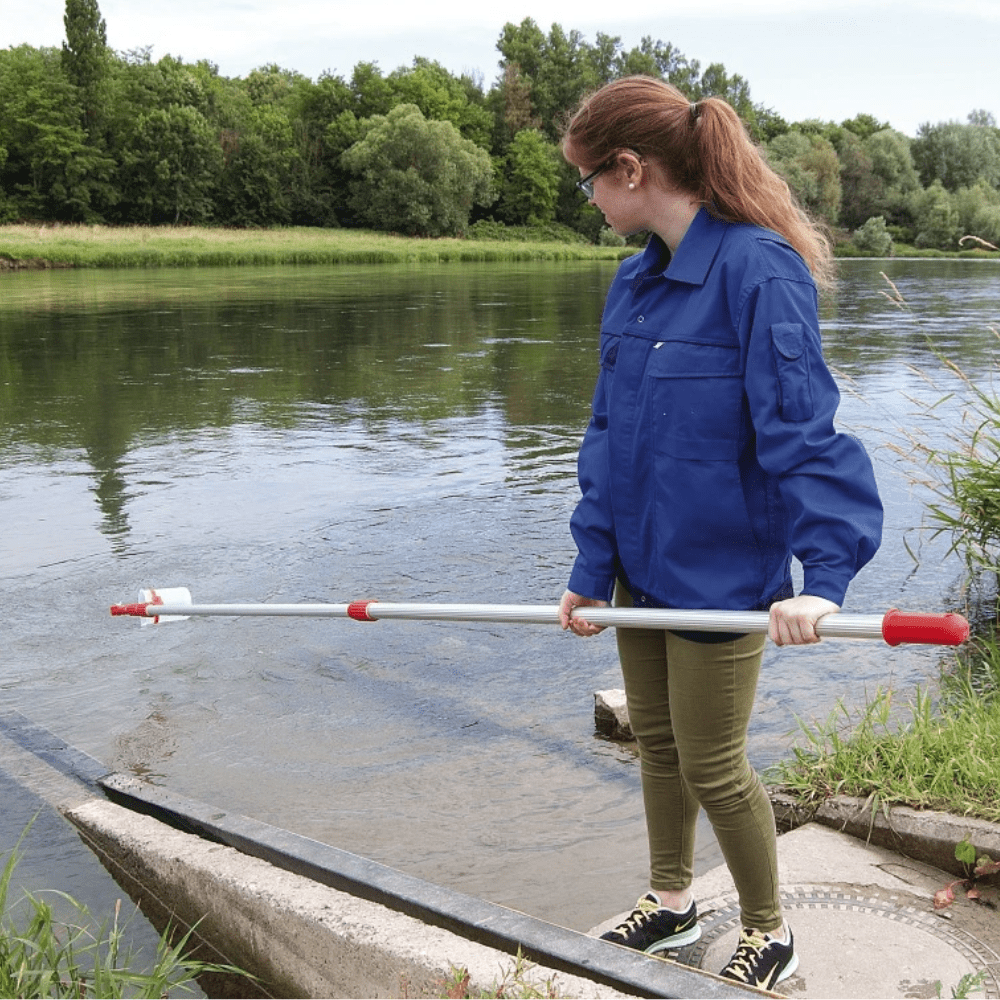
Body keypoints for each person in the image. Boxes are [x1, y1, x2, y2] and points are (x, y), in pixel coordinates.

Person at [557, 76, 883, 990]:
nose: (590, 202)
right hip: (638, 573)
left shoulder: (758, 269)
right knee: (656, 743)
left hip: (722, 577)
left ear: (631, 169)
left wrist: (822, 576)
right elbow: (608, 437)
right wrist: (591, 566)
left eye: (590, 182)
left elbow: (803, 433)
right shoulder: (635, 281)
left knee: (711, 759)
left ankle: (769, 929)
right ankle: (669, 902)